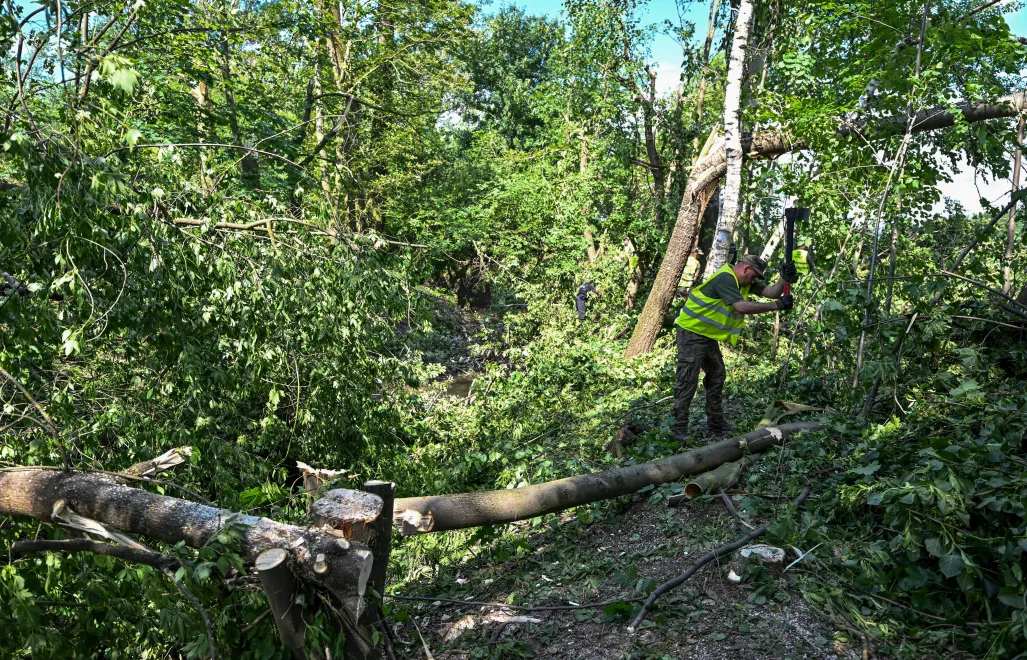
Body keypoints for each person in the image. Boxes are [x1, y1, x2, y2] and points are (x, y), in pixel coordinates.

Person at [671, 254, 798, 441]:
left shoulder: (744, 281)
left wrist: (784, 278)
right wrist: (776, 305)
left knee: (717, 375)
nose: (753, 281)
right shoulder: (726, 278)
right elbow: (740, 306)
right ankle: (677, 429)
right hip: (692, 333)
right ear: (746, 269)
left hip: (707, 335)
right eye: (754, 276)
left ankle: (715, 422)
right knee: (687, 379)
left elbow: (772, 292)